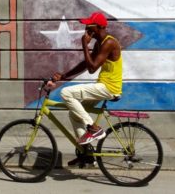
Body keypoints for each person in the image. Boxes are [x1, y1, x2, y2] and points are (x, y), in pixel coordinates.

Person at [50, 11, 123, 164]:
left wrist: (84, 45)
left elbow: (92, 68)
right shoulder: (100, 43)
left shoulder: (109, 43)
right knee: (74, 114)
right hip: (102, 86)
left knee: (66, 93)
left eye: (89, 25)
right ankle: (87, 153)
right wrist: (64, 76)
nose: (86, 29)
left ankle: (93, 128)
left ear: (98, 27)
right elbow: (85, 64)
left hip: (108, 87)